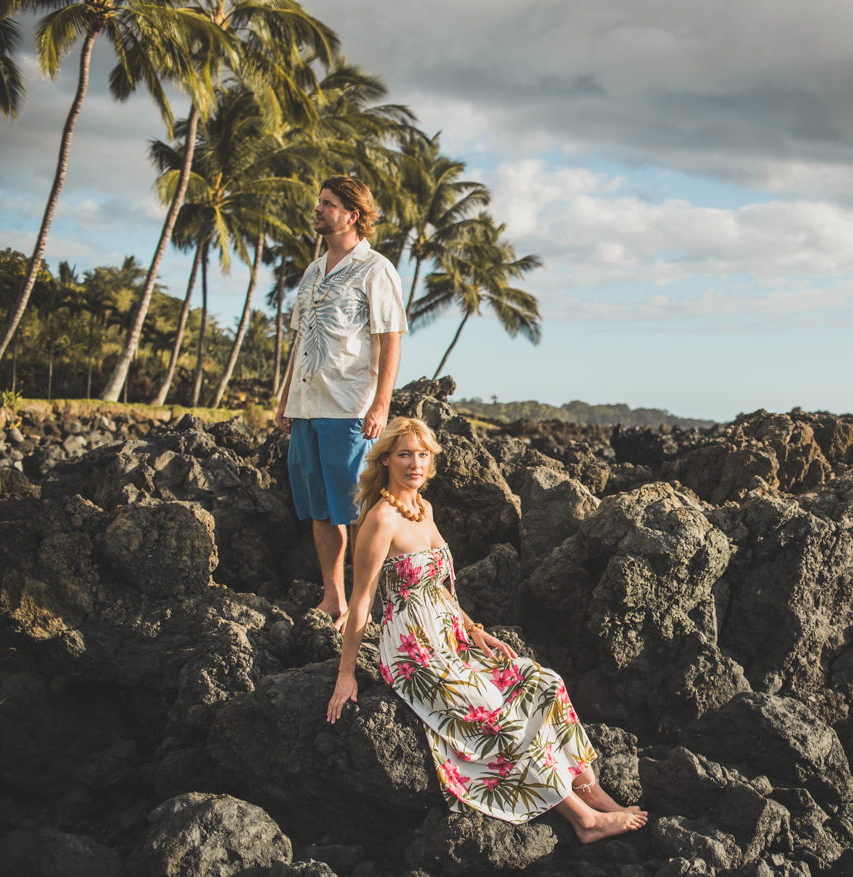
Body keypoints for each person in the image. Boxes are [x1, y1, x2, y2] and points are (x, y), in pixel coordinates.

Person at [326, 417, 648, 842]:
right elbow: (362, 600)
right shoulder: (382, 520)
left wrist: (472, 627)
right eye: (404, 454)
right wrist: (346, 673)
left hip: (451, 637)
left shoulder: (424, 509)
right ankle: (582, 819)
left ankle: (597, 795)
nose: (415, 463)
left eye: (423, 455)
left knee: (542, 682)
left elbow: (439, 587)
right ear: (386, 459)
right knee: (494, 710)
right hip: (414, 654)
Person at [275, 177, 406, 628]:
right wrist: (285, 398)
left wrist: (381, 404)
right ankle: (334, 598)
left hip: (349, 408)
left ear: (352, 215)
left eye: (328, 204)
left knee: (360, 511)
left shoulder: (376, 269)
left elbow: (390, 340)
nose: (318, 208)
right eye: (320, 202)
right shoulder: (313, 271)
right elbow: (300, 341)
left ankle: (367, 602)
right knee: (319, 509)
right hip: (306, 406)